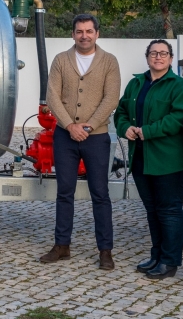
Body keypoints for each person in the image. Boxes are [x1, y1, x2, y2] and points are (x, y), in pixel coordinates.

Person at [39, 14, 121, 269]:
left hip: (96, 138)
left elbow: (111, 98)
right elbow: (52, 95)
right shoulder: (61, 60)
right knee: (65, 192)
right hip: (65, 136)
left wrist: (88, 126)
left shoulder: (109, 61)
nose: (84, 35)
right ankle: (62, 245)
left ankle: (105, 250)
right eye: (79, 31)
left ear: (98, 33)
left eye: (88, 31)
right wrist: (70, 126)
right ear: (72, 34)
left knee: (100, 194)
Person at [114, 40, 183, 280]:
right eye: (153, 53)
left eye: (163, 53)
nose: (158, 57)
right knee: (152, 210)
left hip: (169, 160)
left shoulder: (180, 87)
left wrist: (147, 131)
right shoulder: (136, 83)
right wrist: (125, 128)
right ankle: (157, 255)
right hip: (140, 158)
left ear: (170, 58)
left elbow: (178, 118)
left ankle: (170, 262)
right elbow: (120, 112)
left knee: (169, 210)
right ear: (147, 56)